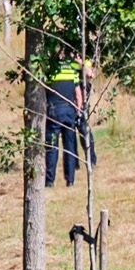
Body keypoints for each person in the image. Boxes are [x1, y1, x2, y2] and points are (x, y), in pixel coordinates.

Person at [45, 53, 85, 188]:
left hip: (53, 112)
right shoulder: (71, 70)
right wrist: (78, 112)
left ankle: (50, 181)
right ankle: (70, 180)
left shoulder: (49, 71)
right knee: (70, 147)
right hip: (69, 112)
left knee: (52, 148)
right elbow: (78, 95)